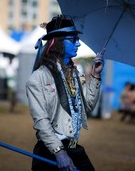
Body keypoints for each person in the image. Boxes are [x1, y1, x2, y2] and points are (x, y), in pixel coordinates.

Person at [26, 15, 104, 171]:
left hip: (74, 149)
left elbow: (86, 108)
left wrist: (95, 76)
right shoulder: (38, 78)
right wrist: (59, 152)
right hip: (50, 152)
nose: (78, 43)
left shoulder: (74, 75)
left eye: (77, 39)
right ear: (57, 44)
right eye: (72, 39)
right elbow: (41, 121)